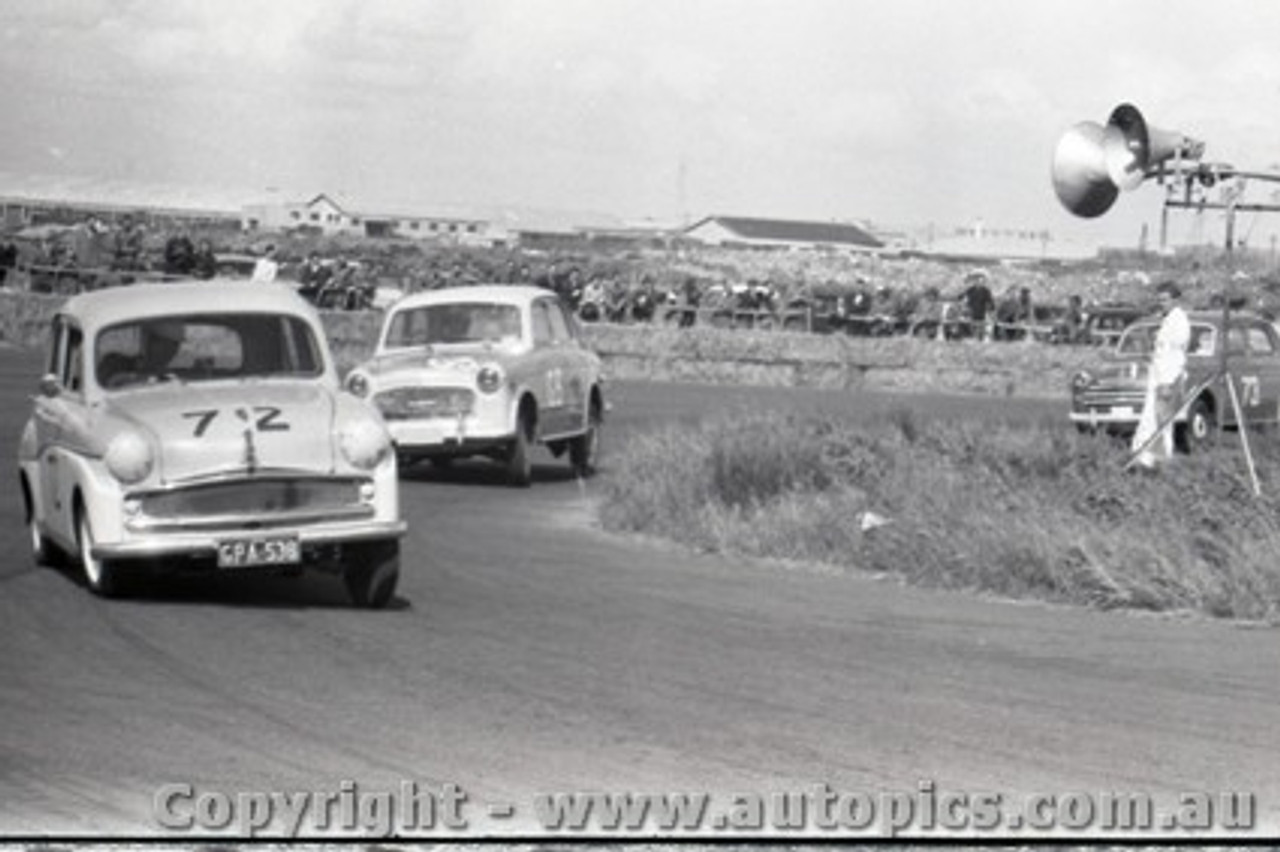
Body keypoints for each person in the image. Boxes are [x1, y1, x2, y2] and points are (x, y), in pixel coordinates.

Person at [1131, 281, 1191, 468]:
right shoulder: (1167, 320)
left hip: (1167, 379)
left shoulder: (1179, 321)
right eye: (1159, 300)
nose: (1161, 303)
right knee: (1150, 419)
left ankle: (1161, 460)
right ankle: (1144, 458)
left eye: (1165, 300)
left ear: (1175, 300)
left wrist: (1167, 383)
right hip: (1158, 378)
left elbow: (1176, 356)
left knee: (1161, 421)